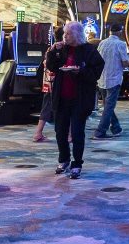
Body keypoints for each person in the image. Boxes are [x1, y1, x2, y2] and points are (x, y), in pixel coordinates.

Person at [45, 21, 104, 178]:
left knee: (77, 132)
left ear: (77, 35)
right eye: (65, 33)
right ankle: (63, 159)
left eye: (69, 33)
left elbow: (96, 72)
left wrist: (81, 71)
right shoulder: (61, 49)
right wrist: (52, 51)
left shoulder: (89, 50)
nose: (65, 36)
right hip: (61, 97)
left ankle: (77, 163)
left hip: (80, 98)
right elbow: (51, 67)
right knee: (60, 131)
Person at [94, 22, 129, 139]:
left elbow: (97, 59)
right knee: (109, 107)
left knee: (107, 106)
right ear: (120, 32)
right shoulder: (120, 44)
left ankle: (116, 128)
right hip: (114, 79)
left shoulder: (102, 43)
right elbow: (124, 62)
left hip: (102, 78)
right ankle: (100, 132)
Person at [33, 26, 63, 142]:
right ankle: (69, 134)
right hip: (57, 83)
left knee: (46, 107)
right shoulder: (60, 48)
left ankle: (38, 133)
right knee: (65, 107)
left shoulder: (50, 48)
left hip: (47, 81)